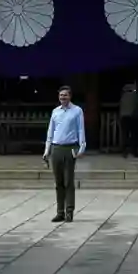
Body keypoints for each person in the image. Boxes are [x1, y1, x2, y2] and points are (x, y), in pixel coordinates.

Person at [44, 85, 86, 223]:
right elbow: (51, 132)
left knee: (68, 181)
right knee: (58, 182)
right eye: (61, 95)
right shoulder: (55, 111)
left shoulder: (77, 111)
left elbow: (80, 129)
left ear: (70, 96)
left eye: (65, 95)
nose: (63, 97)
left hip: (70, 148)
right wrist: (47, 150)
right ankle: (60, 212)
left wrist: (82, 147)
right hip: (56, 148)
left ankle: (69, 211)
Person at [118, 80, 138, 158]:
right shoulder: (135, 95)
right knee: (134, 135)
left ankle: (124, 151)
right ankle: (134, 151)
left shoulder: (123, 96)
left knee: (124, 135)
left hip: (123, 117)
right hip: (133, 117)